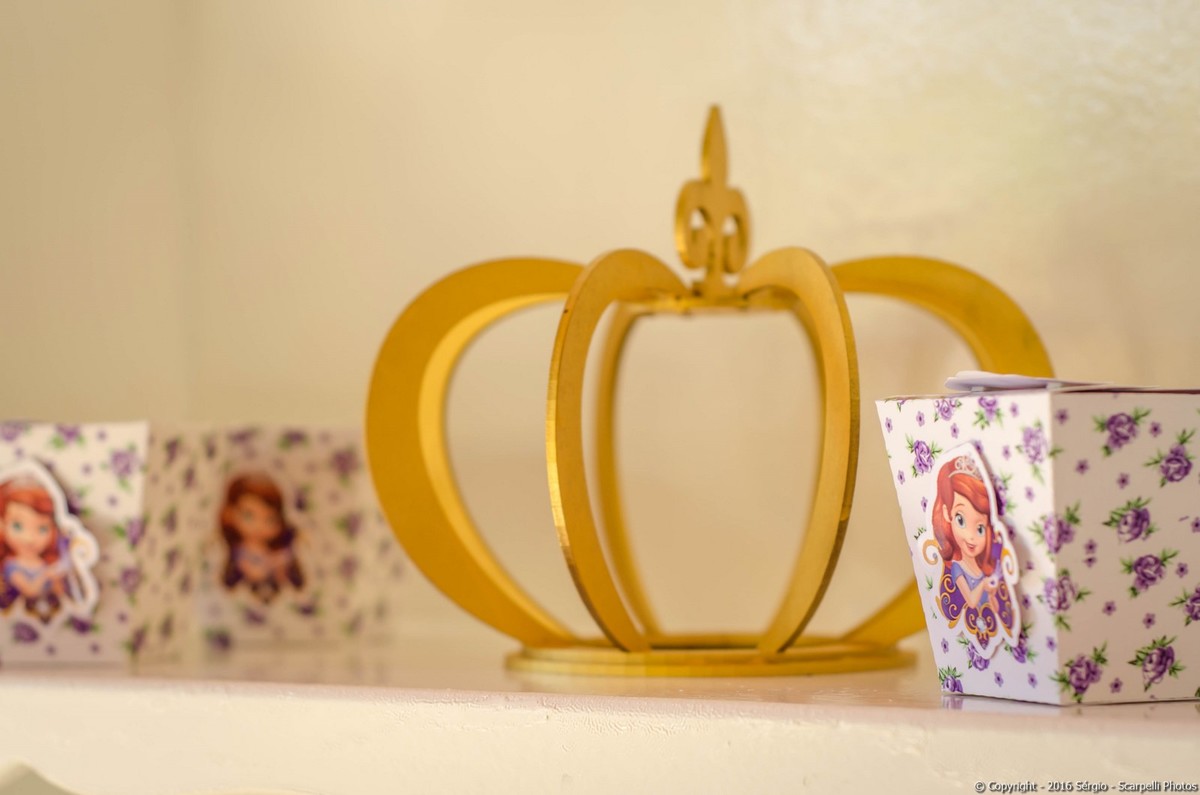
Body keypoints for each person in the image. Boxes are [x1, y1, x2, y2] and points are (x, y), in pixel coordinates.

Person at [929, 455, 1014, 647]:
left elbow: (996, 608)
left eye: (980, 528)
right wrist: (984, 584)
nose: (971, 537)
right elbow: (972, 601)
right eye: (961, 520)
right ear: (947, 514)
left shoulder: (984, 564)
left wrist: (993, 594)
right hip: (969, 638)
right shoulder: (957, 568)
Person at [219, 473, 304, 603]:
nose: (259, 526)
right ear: (230, 513)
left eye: (270, 519)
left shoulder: (278, 550)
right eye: (248, 515)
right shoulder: (238, 552)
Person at [0, 478, 71, 623]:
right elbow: (30, 591)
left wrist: (57, 580)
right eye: (17, 526)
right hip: (21, 617)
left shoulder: (45, 562)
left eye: (42, 529)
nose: (29, 538)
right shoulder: (11, 565)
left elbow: (60, 592)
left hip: (53, 614)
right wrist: (46, 575)